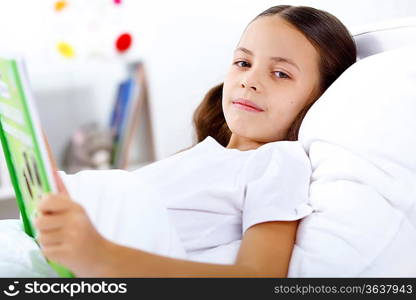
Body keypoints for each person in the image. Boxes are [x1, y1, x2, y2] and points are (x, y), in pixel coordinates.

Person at [34, 5, 357, 277]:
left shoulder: (277, 161)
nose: (250, 80)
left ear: (320, 98)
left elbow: (259, 278)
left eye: (281, 73)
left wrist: (101, 257)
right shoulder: (204, 154)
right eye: (243, 63)